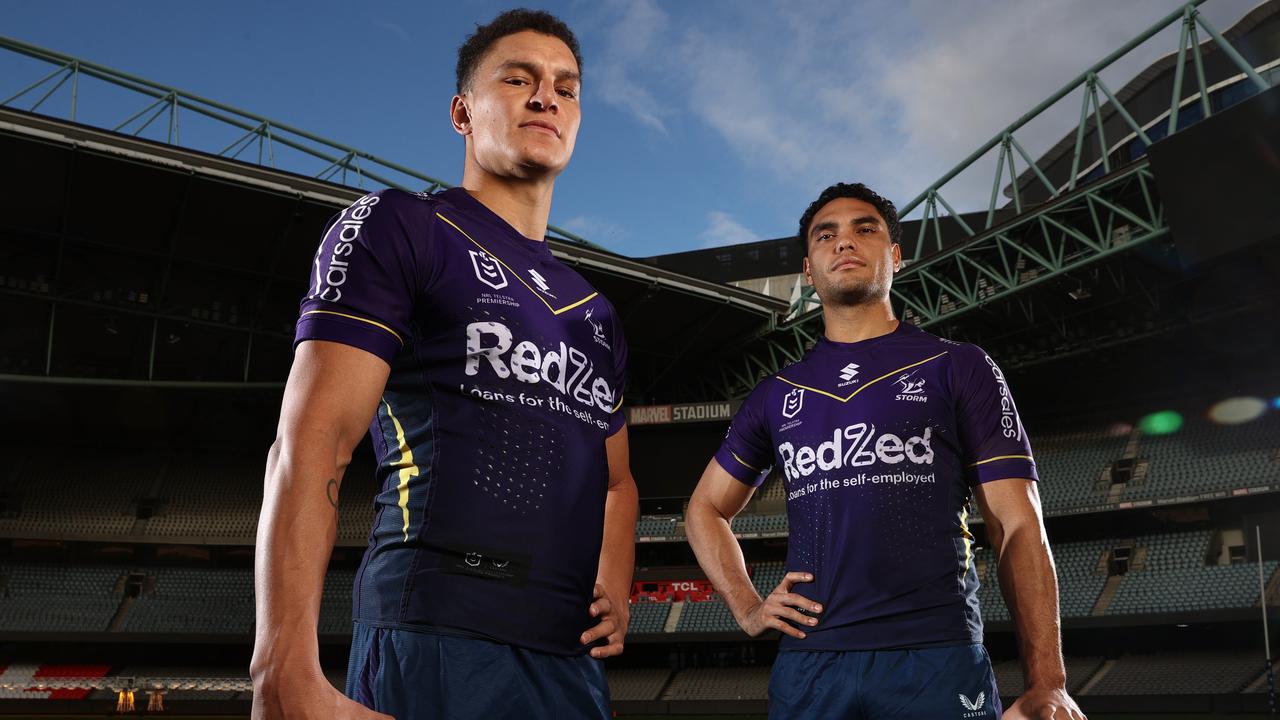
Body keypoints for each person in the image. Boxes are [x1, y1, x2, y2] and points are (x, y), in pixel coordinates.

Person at [249, 9, 637, 720]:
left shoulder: (595, 312)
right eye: (518, 78)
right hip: (437, 634)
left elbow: (617, 482)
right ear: (462, 111)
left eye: (566, 87)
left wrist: (615, 574)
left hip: (567, 660)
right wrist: (281, 669)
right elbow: (313, 443)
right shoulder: (404, 227)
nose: (546, 96)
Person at [685, 182, 1086, 719]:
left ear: (895, 255)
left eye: (864, 229)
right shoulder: (777, 394)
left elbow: (1016, 525)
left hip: (934, 655)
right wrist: (748, 606)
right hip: (811, 662)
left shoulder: (957, 365)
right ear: (809, 268)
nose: (844, 242)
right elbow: (704, 509)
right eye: (826, 235)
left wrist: (1048, 682)